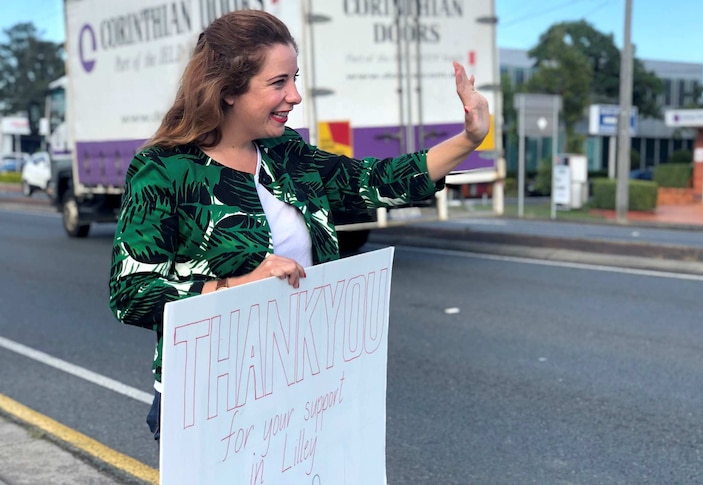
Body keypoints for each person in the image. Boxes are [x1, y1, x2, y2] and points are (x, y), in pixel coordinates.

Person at [107, 9, 489, 441]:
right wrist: (242, 285)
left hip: (300, 385)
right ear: (229, 89)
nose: (295, 95)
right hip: (210, 398)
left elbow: (370, 181)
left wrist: (469, 139)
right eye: (278, 83)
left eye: (295, 78)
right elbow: (132, 294)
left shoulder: (286, 152)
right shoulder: (164, 170)